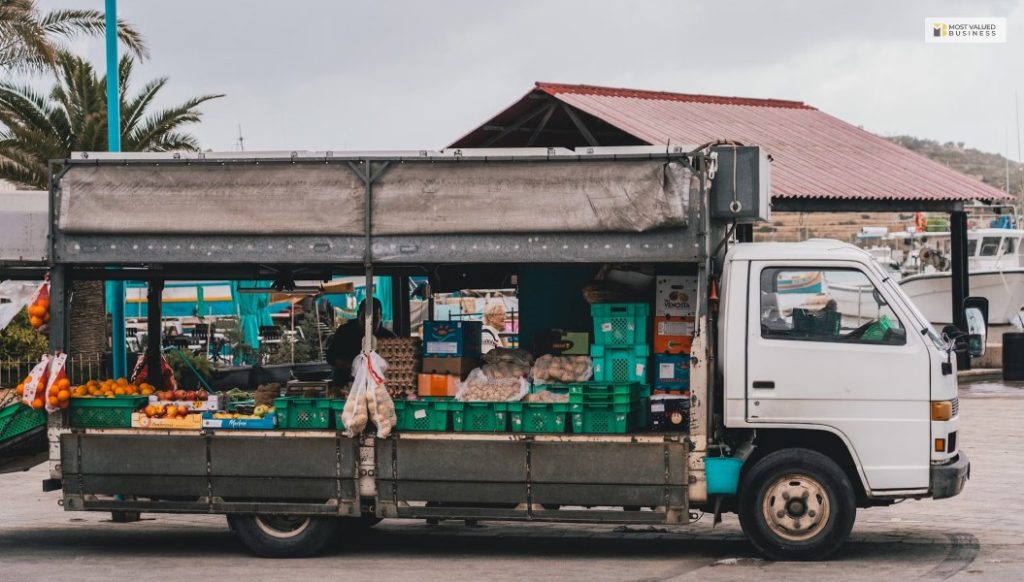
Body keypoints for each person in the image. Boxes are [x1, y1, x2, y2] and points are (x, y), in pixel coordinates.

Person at [325, 298, 395, 386]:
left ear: (381, 318)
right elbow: (331, 357)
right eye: (365, 318)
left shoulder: (389, 338)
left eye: (375, 319)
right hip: (345, 385)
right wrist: (354, 365)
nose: (369, 324)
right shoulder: (344, 332)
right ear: (358, 315)